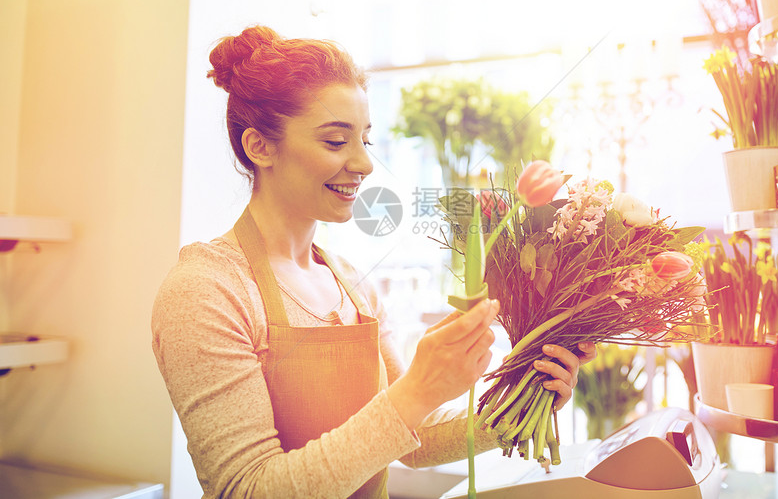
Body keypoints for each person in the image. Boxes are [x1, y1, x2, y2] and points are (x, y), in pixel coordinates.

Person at [151, 25, 596, 498]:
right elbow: (250, 490)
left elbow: (411, 440)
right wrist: (421, 387)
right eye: (335, 142)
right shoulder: (206, 290)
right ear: (260, 147)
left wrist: (524, 400)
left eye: (365, 140)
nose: (364, 164)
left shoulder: (350, 283)